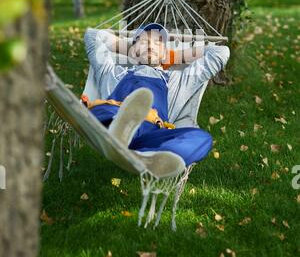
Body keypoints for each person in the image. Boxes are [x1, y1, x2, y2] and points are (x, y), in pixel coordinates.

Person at [83, 23, 230, 167]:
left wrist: (175, 56)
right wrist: (131, 49)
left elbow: (221, 52)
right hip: (112, 117)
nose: (150, 45)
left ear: (166, 53)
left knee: (202, 139)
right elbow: (92, 35)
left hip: (150, 131)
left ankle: (144, 155)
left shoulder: (177, 81)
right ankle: (122, 133)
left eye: (158, 43)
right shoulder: (112, 72)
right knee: (104, 111)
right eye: (144, 41)